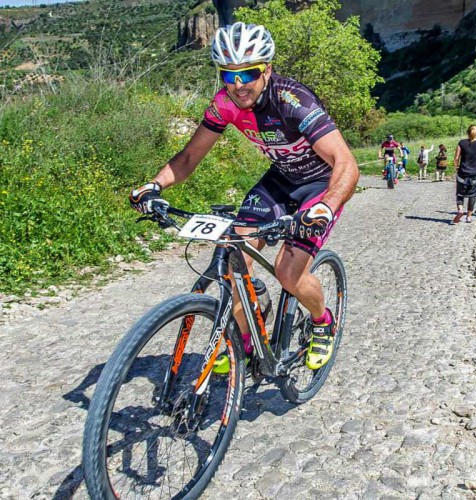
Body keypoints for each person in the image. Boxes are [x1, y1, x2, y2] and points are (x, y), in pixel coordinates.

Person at [128, 22, 359, 372]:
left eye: (247, 73)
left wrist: (327, 206)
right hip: (280, 180)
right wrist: (154, 185)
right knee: (233, 254)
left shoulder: (292, 101)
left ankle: (322, 320)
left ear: (266, 69)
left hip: (320, 186)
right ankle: (249, 342)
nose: (238, 85)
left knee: (288, 273)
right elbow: (190, 156)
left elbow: (346, 163)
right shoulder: (225, 103)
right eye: (228, 74)